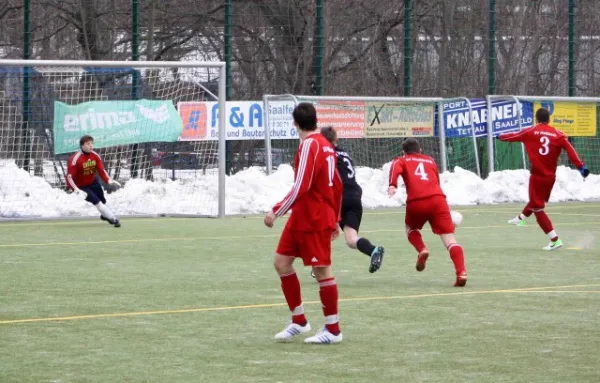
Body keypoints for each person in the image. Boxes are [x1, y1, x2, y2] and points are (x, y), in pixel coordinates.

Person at [264, 102, 344, 344]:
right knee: (281, 263)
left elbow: (302, 185)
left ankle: (333, 330)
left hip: (315, 217)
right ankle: (299, 321)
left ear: (295, 123)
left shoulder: (311, 144)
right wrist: (337, 218)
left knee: (322, 271)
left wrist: (277, 211)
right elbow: (338, 185)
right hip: (303, 215)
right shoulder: (327, 145)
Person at [497, 107, 589, 250]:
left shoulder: (531, 131)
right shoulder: (558, 134)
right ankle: (520, 219)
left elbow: (513, 136)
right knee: (536, 201)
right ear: (549, 119)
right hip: (550, 177)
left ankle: (555, 239)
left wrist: (499, 136)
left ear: (536, 119)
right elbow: (571, 151)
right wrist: (581, 167)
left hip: (537, 176)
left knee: (537, 207)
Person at [388, 138, 467, 287]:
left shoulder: (402, 160)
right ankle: (461, 272)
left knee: (410, 228)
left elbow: (395, 168)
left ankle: (422, 249)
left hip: (417, 201)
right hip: (438, 200)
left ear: (404, 152)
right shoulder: (430, 161)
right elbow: (436, 182)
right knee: (450, 240)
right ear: (420, 150)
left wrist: (392, 185)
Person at [318, 126, 384, 274]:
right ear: (337, 139)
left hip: (339, 195)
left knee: (321, 230)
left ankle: (320, 265)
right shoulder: (344, 153)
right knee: (351, 239)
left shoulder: (326, 154)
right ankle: (373, 250)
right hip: (354, 194)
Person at [66, 135, 122, 227]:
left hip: (93, 182)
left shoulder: (95, 156)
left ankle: (104, 215)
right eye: (88, 144)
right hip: (82, 187)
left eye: (92, 143)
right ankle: (113, 220)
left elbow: (101, 170)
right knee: (97, 202)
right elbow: (69, 177)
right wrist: (76, 189)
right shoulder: (75, 159)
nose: (91, 146)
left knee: (102, 201)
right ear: (82, 146)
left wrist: (108, 180)